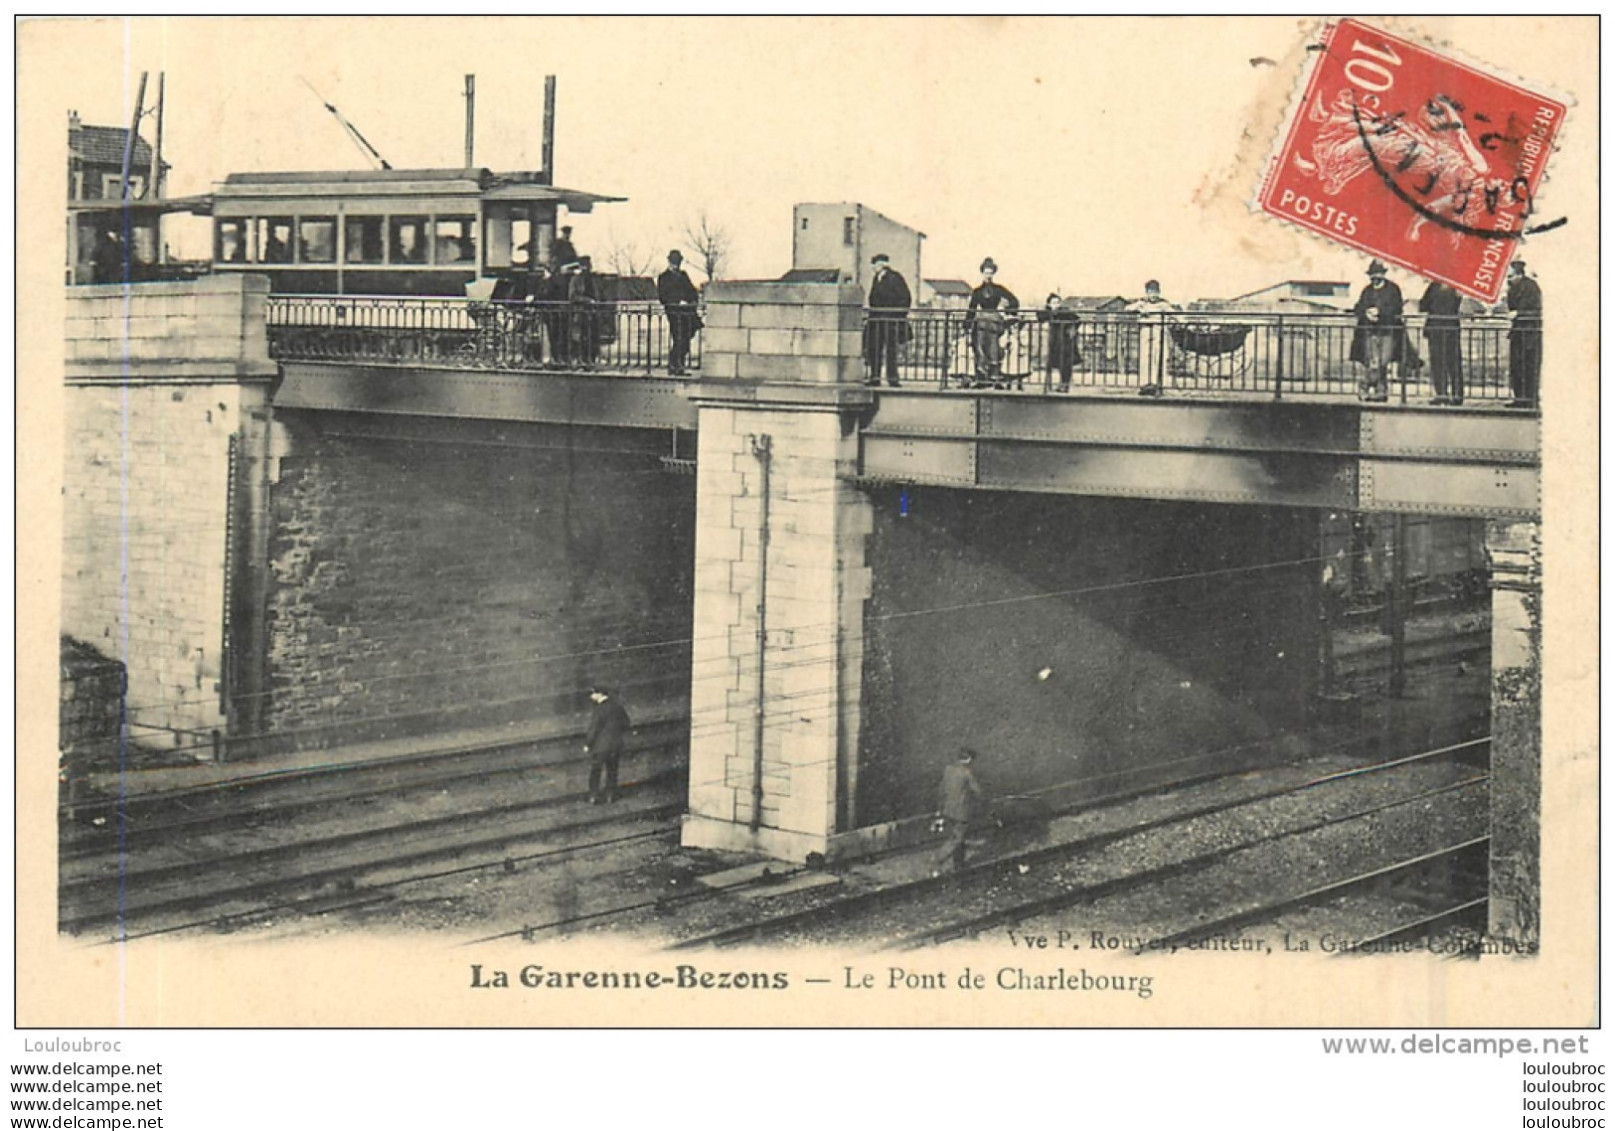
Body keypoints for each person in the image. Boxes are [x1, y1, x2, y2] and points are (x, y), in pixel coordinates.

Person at [1348, 260, 1407, 402]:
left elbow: (1397, 308)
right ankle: (1380, 390)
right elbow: (1358, 307)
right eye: (1372, 276)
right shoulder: (1367, 290)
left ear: (1383, 275)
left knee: (1383, 361)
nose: (1375, 279)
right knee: (1372, 362)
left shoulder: (1393, 289)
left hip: (1388, 331)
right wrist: (1367, 312)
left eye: (1377, 276)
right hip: (1369, 332)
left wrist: (1380, 312)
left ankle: (1365, 386)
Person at [965, 258, 1019, 388]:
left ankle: (995, 377)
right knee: (979, 347)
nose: (988, 275)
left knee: (994, 347)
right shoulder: (977, 291)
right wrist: (966, 326)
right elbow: (971, 309)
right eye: (985, 272)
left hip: (994, 322)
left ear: (993, 274)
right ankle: (981, 378)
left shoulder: (999, 289)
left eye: (990, 273)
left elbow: (1014, 301)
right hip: (981, 323)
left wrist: (1007, 310)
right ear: (982, 273)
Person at [931, 747, 984, 876]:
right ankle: (937, 860)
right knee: (957, 839)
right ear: (969, 759)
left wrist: (940, 808)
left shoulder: (948, 769)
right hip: (962, 812)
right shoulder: (967, 773)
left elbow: (941, 790)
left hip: (948, 810)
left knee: (958, 837)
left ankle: (959, 865)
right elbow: (978, 791)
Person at [864, 252, 913, 388]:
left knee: (891, 350)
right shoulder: (877, 278)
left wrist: (896, 316)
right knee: (874, 349)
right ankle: (875, 377)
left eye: (874, 265)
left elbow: (905, 299)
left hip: (890, 321)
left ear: (881, 265)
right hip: (876, 321)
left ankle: (892, 378)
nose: (873, 268)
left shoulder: (895, 278)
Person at [1127, 279, 1179, 396]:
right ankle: (1144, 384)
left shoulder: (1163, 304)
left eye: (1155, 292)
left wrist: (1185, 323)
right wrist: (1139, 307)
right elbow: (1128, 308)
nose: (1153, 295)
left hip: (1158, 331)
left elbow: (1176, 315)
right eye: (1150, 292)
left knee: (1159, 356)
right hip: (1145, 330)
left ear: (1159, 292)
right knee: (1145, 356)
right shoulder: (1142, 303)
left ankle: (1158, 383)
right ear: (1146, 292)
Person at [1418, 279, 1464, 405]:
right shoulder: (1434, 285)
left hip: (1449, 330)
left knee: (1452, 363)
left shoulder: (1457, 286)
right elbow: (1422, 305)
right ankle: (1442, 394)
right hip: (1436, 330)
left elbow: (1424, 305)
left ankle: (1456, 394)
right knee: (1438, 363)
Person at [657, 249, 702, 375]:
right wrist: (677, 302)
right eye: (674, 262)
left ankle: (678, 364)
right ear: (669, 262)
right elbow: (663, 296)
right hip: (674, 312)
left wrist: (692, 300)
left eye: (678, 262)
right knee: (679, 338)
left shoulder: (683, 275)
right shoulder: (663, 277)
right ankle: (675, 365)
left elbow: (692, 291)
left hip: (687, 312)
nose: (676, 264)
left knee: (686, 339)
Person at [583, 685, 630, 804]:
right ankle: (610, 796)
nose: (591, 696)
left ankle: (593, 796)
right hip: (615, 745)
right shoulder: (617, 706)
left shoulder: (599, 709)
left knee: (596, 771)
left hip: (600, 747)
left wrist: (588, 744)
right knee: (612, 771)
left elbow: (593, 729)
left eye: (592, 693)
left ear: (600, 694)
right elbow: (626, 722)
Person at [1505, 259, 1542, 408]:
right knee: (1516, 366)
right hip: (1518, 333)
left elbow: (1535, 308)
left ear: (1519, 274)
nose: (1509, 280)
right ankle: (1520, 398)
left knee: (1529, 366)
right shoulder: (1513, 288)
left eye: (1511, 276)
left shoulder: (1531, 287)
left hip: (1530, 333)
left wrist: (1519, 313)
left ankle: (1530, 399)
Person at [1037, 293, 1082, 393]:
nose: (1056, 305)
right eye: (1053, 303)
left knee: (1066, 363)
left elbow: (1077, 320)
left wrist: (1072, 329)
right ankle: (1052, 385)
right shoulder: (1048, 312)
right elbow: (1040, 317)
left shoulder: (1065, 311)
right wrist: (1049, 310)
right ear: (1049, 304)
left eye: (1058, 302)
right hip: (1055, 341)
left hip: (1066, 341)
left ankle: (1064, 384)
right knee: (1054, 362)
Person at [567, 257, 601, 365]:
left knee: (592, 337)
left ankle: (590, 359)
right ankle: (581, 360)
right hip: (580, 312)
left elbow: (597, 294)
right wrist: (588, 300)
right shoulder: (576, 279)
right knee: (580, 338)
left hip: (592, 313)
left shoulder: (592, 279)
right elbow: (572, 296)